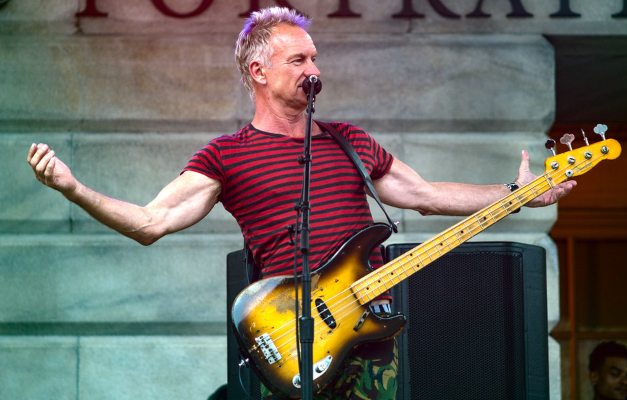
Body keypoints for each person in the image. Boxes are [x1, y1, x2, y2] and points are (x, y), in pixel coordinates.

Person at [26, 6, 575, 400]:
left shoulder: (348, 140)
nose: (314, 68)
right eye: (298, 59)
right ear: (258, 72)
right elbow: (151, 222)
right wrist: (74, 188)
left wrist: (518, 193)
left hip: (368, 335)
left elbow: (425, 195)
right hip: (289, 343)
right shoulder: (225, 155)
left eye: (315, 57)